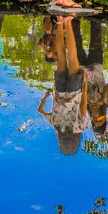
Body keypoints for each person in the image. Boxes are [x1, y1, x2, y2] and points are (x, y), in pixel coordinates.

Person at [37, 15, 90, 155]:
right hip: (60, 89)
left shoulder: (80, 128)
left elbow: (83, 104)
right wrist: (46, 96)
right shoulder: (55, 125)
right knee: (61, 55)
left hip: (74, 89)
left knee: (72, 56)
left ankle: (68, 21)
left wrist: (85, 85)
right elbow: (40, 111)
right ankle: (60, 22)